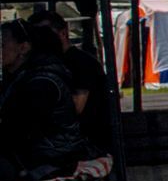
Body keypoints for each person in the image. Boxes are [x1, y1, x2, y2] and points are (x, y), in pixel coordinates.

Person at [0, 18, 94, 181]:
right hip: (34, 154)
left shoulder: (42, 82)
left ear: (23, 47)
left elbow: (20, 128)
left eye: (2, 45)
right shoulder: (18, 78)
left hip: (51, 157)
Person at [26, 8, 113, 155]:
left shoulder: (82, 64)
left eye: (45, 34)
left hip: (86, 141)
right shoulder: (49, 64)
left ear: (63, 33)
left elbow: (77, 107)